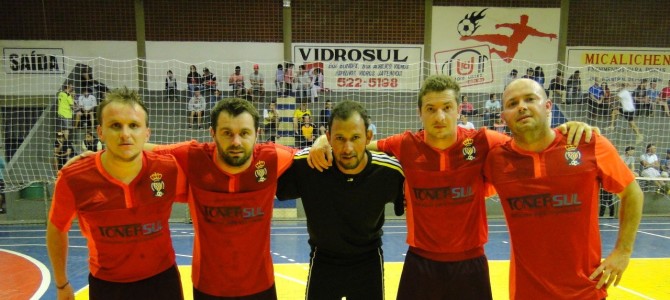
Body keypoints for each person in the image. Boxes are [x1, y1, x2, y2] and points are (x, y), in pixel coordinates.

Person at [308, 74, 595, 300]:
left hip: (470, 264)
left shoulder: (483, 141)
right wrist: (323, 141)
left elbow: (530, 140)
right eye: (431, 109)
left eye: (447, 107)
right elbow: (357, 143)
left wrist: (564, 130)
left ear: (459, 109)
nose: (440, 116)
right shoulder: (406, 144)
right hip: (421, 262)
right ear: (420, 112)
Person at [484, 78, 643, 299]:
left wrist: (623, 251)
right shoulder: (496, 160)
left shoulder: (588, 143)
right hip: (526, 292)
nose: (521, 106)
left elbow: (632, 192)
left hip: (586, 291)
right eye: (512, 104)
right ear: (503, 117)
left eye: (530, 99)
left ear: (548, 106)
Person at [46, 87, 188, 300]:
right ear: (100, 131)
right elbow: (57, 229)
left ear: (146, 133)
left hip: (162, 282)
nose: (125, 134)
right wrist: (61, 284)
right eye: (115, 126)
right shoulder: (74, 177)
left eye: (134, 125)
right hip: (108, 287)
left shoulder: (168, 169)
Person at [148, 98, 298, 299]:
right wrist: (95, 158)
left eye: (244, 133)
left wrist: (323, 141)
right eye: (227, 133)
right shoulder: (193, 157)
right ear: (213, 134)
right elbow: (142, 148)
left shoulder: (272, 157)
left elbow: (310, 154)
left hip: (261, 286)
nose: (236, 142)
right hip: (208, 288)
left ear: (257, 135)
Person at [276, 100, 405, 300]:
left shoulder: (390, 173)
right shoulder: (309, 165)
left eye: (355, 137)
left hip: (368, 263)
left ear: (368, 136)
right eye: (339, 138)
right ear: (328, 137)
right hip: (323, 261)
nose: (347, 148)